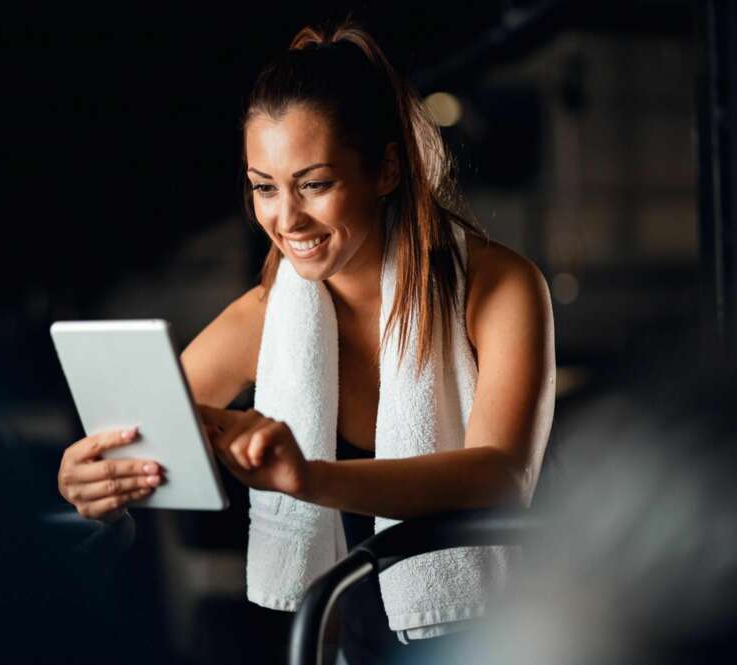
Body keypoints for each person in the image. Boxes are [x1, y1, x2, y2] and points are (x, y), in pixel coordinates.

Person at [57, 17, 555, 665]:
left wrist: (310, 476)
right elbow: (143, 437)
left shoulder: (499, 286)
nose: (286, 218)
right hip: (353, 645)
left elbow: (500, 476)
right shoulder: (267, 314)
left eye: (315, 184)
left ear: (385, 170)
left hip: (517, 635)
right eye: (265, 187)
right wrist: (90, 481)